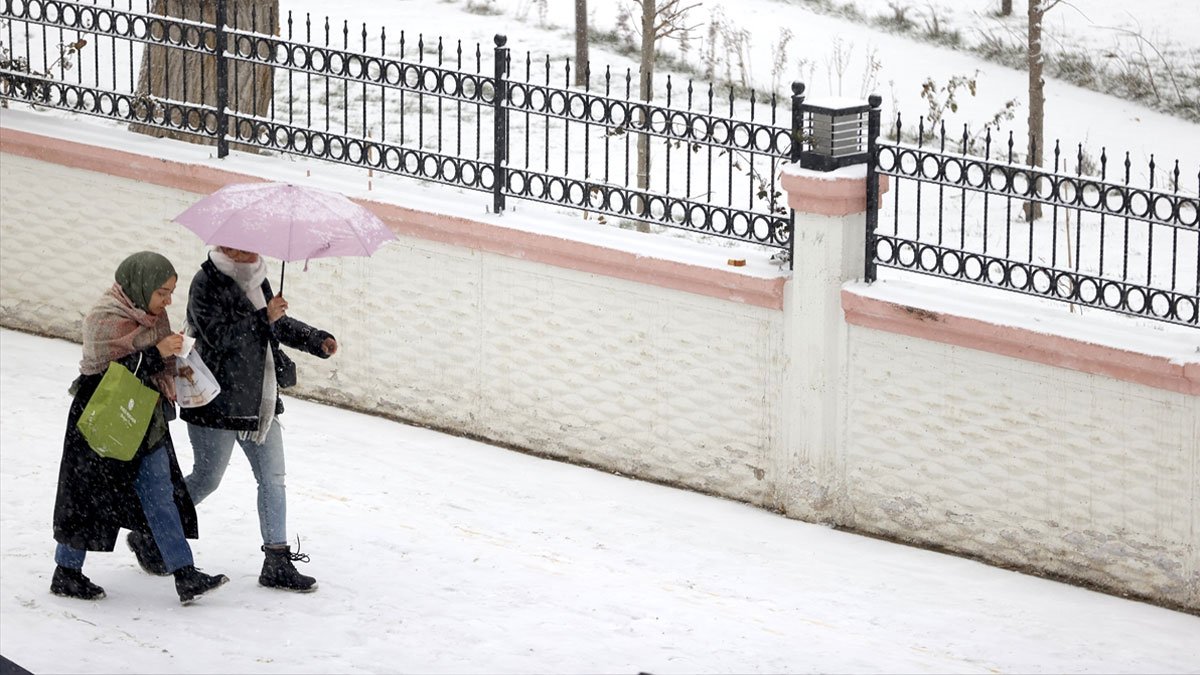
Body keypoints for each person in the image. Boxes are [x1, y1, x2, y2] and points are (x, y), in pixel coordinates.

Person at [129, 246, 337, 593]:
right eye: (240, 245)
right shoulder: (205, 282)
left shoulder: (258, 278)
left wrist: (315, 339)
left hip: (258, 400)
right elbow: (217, 336)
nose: (249, 251)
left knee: (273, 479)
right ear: (225, 245)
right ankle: (150, 530)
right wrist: (263, 318)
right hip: (215, 400)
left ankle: (276, 561)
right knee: (207, 479)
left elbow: (275, 325)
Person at [51, 251, 229, 605]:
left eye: (171, 292)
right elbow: (106, 374)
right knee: (88, 494)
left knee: (160, 493)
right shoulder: (104, 318)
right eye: (162, 292)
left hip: (146, 417)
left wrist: (172, 355)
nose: (168, 301)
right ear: (141, 285)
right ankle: (66, 572)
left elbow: (154, 363)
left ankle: (184, 573)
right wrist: (155, 352)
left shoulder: (155, 318)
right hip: (102, 418)